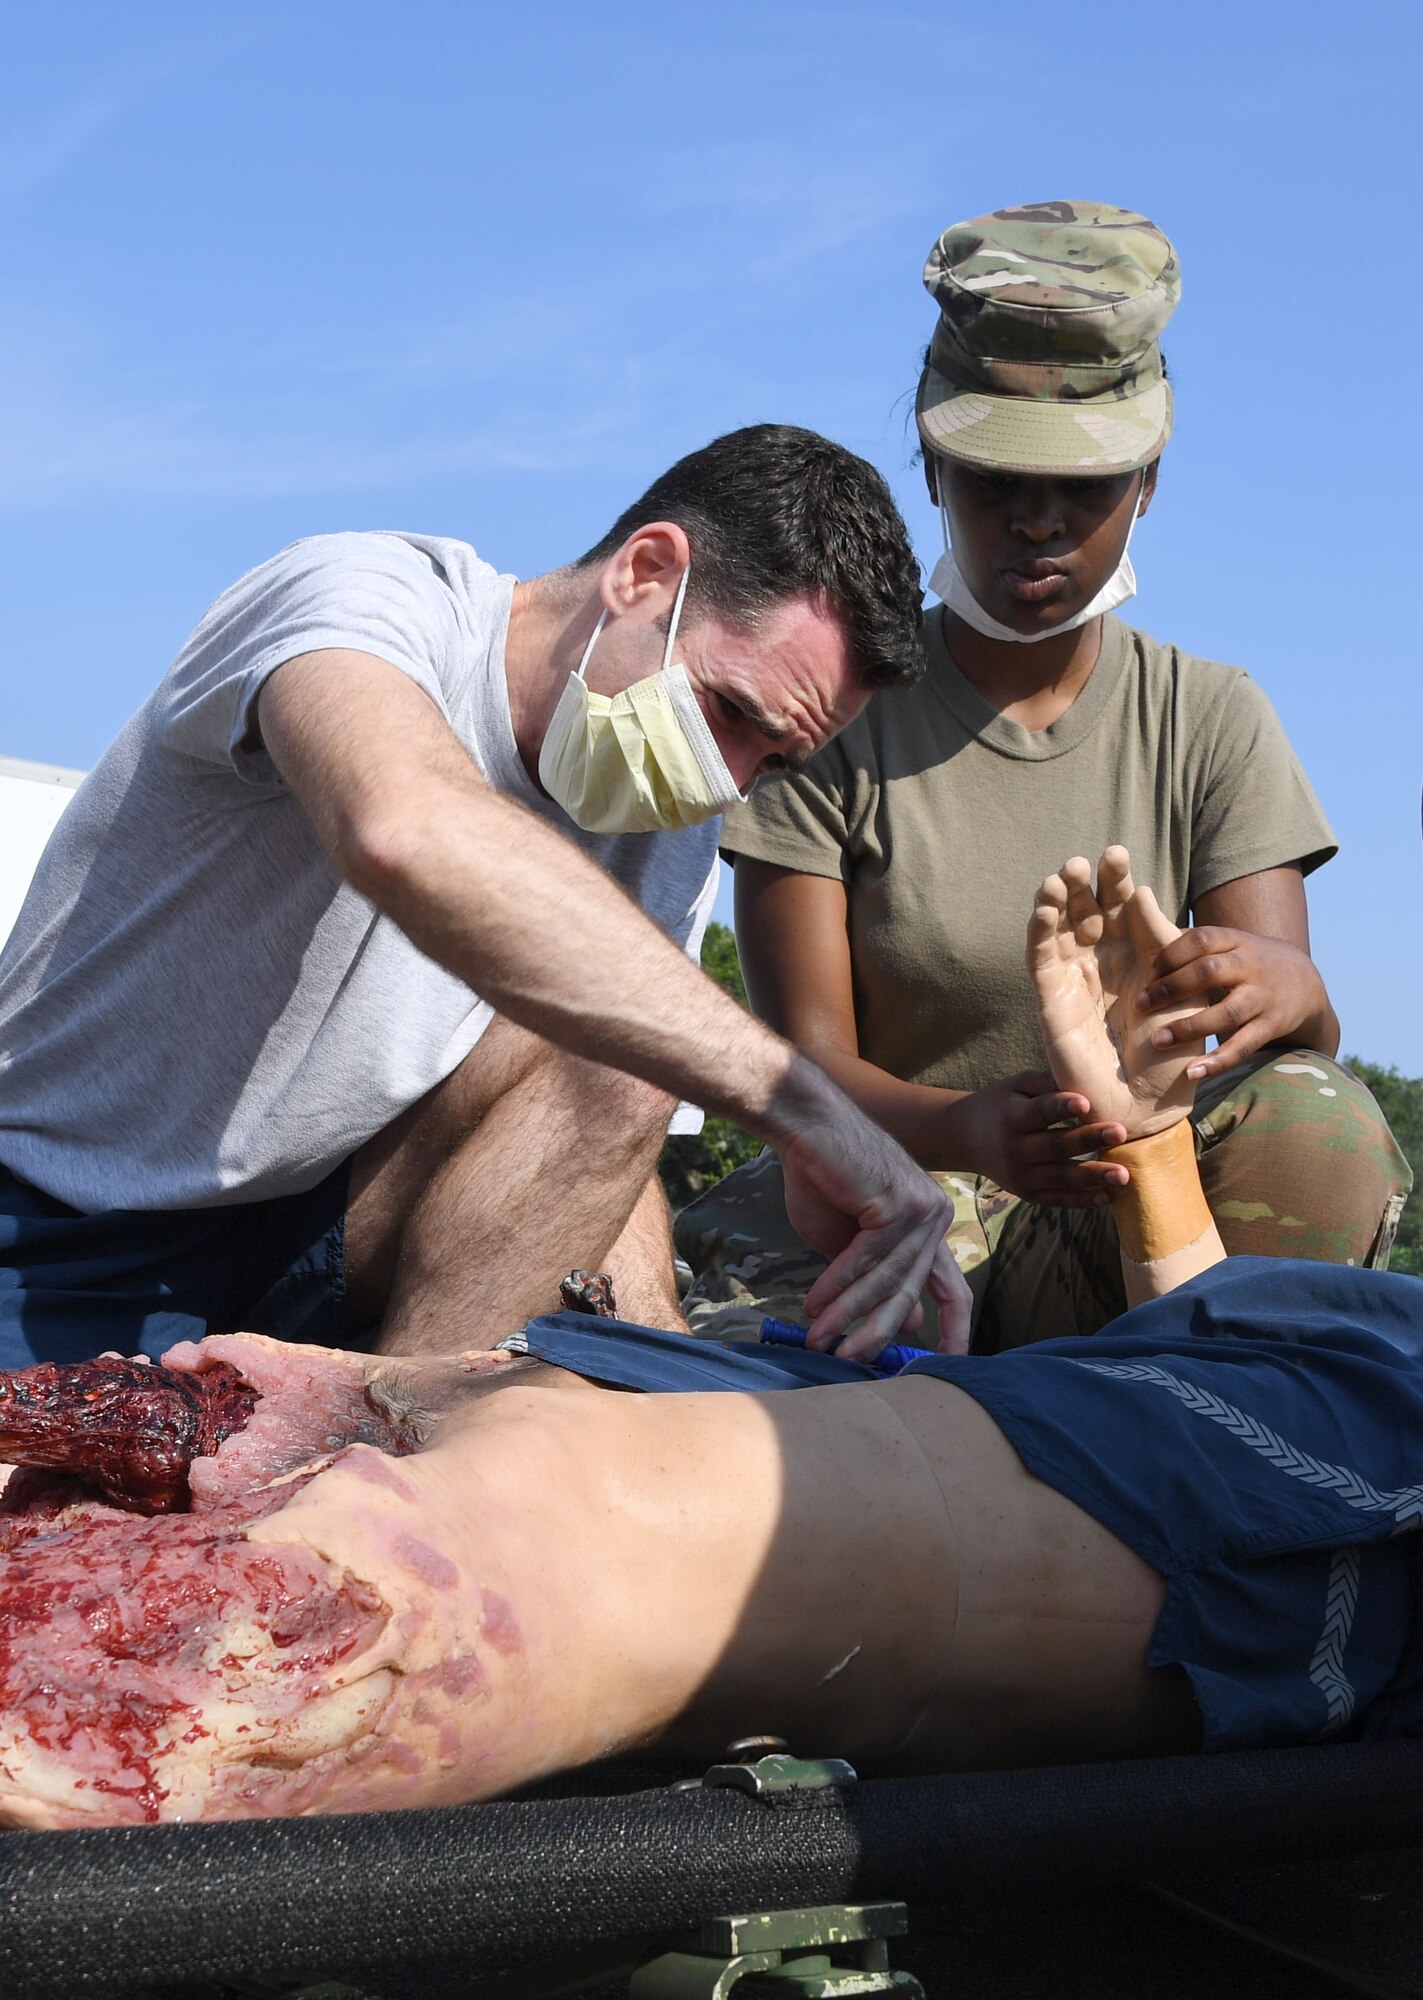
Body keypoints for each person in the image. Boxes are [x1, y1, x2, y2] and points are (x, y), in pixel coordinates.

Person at [7, 850, 1422, 1832]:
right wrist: (1149, 1142)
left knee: (523, 1551)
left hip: (716, 1475)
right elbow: (1204, 1342)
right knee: (501, 1506)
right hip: (754, 1401)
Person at [0, 425, 971, 1375]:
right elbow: (403, 826)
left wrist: (662, 1368)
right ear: (643, 574)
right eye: (730, 713)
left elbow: (599, 1116)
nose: (728, 782)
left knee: (627, 1064)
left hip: (315, 1220)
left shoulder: (669, 817)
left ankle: (392, 1490)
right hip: (61, 1220)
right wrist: (798, 1103)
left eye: (775, 759)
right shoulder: (364, 601)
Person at [677, 202, 1410, 1349]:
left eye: (1084, 488)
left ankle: (1196, 1424)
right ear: (930, 465)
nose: (1037, 522)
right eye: (992, 481)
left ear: (1148, 483)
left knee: (1323, 1124)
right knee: (739, 1395)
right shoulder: (829, 712)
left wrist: (1294, 991)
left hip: (1123, 1225)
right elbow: (797, 1068)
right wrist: (968, 1131)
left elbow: (1267, 1064)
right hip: (878, 1204)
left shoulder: (1209, 719)